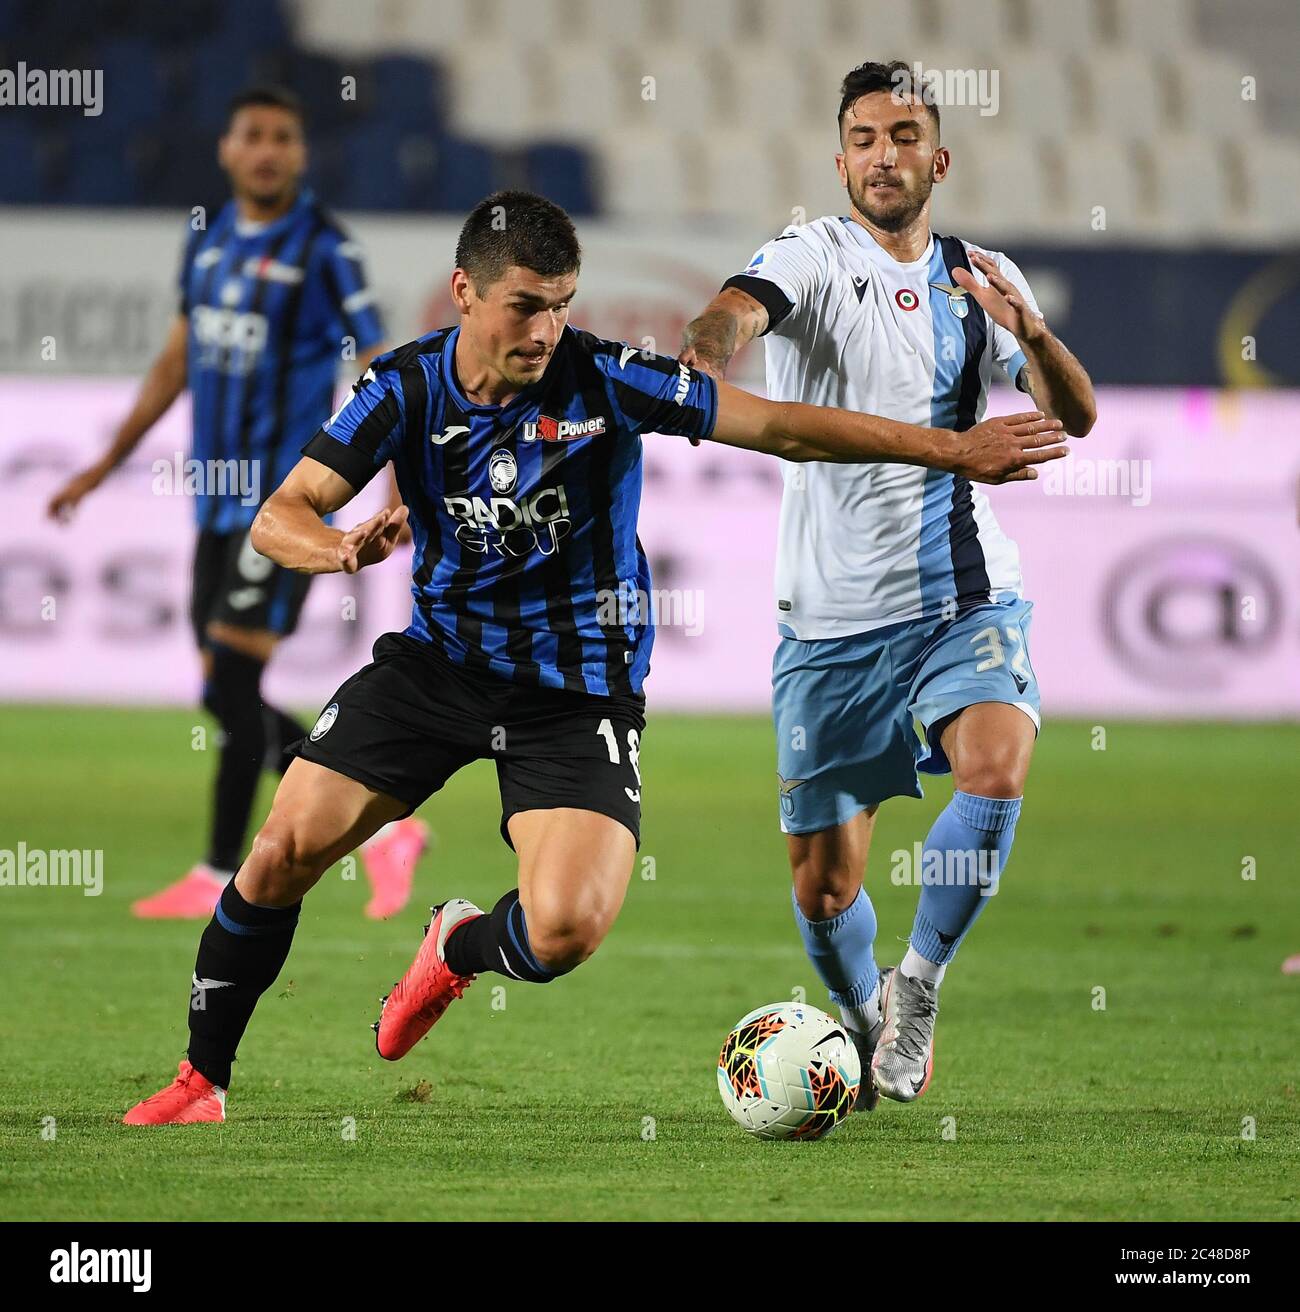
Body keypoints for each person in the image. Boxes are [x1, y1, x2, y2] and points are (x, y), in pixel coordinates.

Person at [121, 188, 1066, 1125]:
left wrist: (951, 448)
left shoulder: (608, 378)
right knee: (281, 849)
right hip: (434, 669)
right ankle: (201, 1081)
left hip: (578, 697)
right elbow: (281, 513)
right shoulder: (403, 385)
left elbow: (781, 427)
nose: (546, 329)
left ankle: (457, 949)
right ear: (465, 291)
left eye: (563, 303)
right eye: (526, 305)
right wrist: (339, 547)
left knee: (565, 930)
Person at [679, 60, 1097, 1108]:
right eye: (864, 138)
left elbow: (1075, 415)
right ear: (840, 159)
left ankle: (919, 984)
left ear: (937, 157)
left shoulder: (982, 277)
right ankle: (863, 1016)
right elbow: (733, 313)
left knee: (995, 767)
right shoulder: (808, 255)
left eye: (903, 135)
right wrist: (708, 348)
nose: (883, 155)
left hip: (960, 591)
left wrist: (1032, 332)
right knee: (822, 890)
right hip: (827, 621)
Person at [47, 86, 425, 922]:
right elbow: (177, 358)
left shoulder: (326, 247)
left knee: (235, 678)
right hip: (214, 506)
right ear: (226, 149)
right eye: (252, 135)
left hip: (282, 504)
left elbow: (385, 360)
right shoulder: (209, 239)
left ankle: (221, 865)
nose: (267, 151)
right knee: (222, 688)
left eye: (282, 138)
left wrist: (398, 487)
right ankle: (385, 825)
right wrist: (102, 465)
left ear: (301, 154)